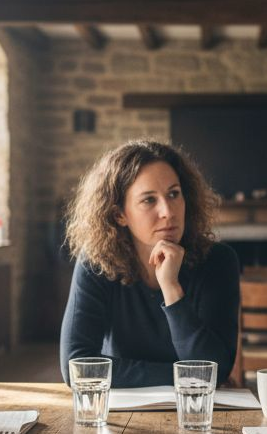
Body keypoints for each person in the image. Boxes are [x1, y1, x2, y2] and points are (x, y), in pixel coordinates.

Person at [60, 140, 239, 387]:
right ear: (119, 215)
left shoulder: (218, 261)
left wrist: (171, 288)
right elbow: (76, 367)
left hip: (198, 410)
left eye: (174, 194)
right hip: (121, 415)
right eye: (148, 200)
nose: (168, 211)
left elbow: (217, 370)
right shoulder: (96, 262)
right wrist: (184, 376)